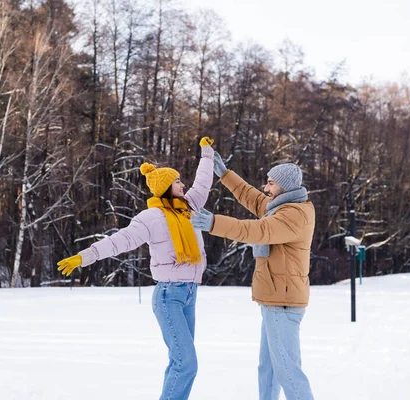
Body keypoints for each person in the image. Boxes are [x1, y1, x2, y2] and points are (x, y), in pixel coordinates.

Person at [56, 137, 215, 400]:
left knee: (179, 363)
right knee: (186, 364)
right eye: (177, 181)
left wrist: (207, 153)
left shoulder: (190, 208)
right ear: (165, 187)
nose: (183, 184)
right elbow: (120, 241)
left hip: (189, 294)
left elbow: (203, 183)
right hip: (168, 297)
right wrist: (85, 257)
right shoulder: (150, 218)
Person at [191, 155, 315, 400]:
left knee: (287, 371)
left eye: (270, 183)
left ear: (285, 187)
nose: (265, 188)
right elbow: (253, 198)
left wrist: (214, 223)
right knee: (268, 369)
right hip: (275, 299)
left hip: (283, 302)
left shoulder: (294, 215)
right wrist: (225, 175)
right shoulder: (280, 207)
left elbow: (258, 231)